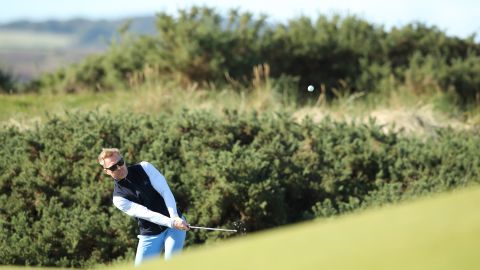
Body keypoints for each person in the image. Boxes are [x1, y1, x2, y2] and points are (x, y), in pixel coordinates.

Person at [98, 148, 189, 266]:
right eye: (113, 167)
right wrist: (171, 222)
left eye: (120, 162)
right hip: (151, 234)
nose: (119, 167)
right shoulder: (118, 198)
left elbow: (165, 191)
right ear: (106, 171)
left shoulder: (145, 167)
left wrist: (175, 217)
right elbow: (147, 214)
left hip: (175, 226)